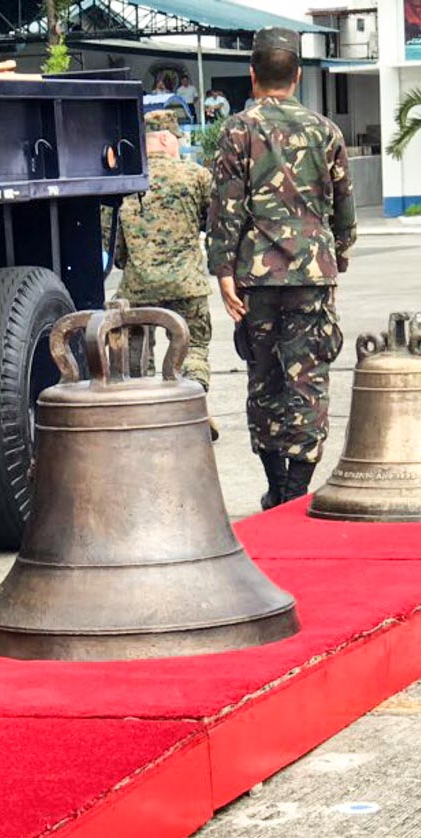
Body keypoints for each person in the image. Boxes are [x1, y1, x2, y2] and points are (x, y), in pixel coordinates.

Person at [208, 26, 356, 507]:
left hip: (257, 278)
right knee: (307, 381)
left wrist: (223, 271)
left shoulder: (237, 129)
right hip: (312, 276)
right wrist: (336, 255)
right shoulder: (326, 130)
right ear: (297, 76)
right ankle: (296, 491)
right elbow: (343, 212)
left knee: (265, 379)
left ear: (253, 76)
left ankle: (276, 488)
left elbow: (225, 206)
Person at [112, 108, 216, 433]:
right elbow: (211, 223)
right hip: (188, 285)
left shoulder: (125, 182)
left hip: (138, 286)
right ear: (167, 138)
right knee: (193, 346)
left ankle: (144, 417)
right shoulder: (197, 176)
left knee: (137, 349)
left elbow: (113, 245)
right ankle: (192, 409)